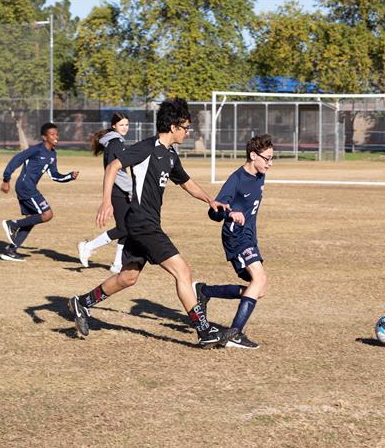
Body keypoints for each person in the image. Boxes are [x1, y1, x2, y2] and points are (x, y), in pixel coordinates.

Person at [68, 98, 238, 348]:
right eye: (186, 127)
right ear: (173, 126)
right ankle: (204, 331)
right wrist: (106, 202)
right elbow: (113, 166)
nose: (188, 132)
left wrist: (210, 200)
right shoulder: (147, 147)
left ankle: (81, 303)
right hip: (142, 223)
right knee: (183, 271)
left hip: (145, 223)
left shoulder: (170, 155)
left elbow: (185, 182)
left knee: (128, 277)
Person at [195, 134, 274, 349]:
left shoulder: (260, 174)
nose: (270, 163)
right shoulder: (236, 180)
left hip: (249, 236)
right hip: (235, 236)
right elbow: (213, 211)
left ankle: (205, 291)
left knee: (259, 289)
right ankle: (234, 334)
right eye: (267, 158)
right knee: (259, 278)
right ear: (252, 155)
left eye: (272, 158)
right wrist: (229, 214)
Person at [0, 122, 79, 261]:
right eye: (52, 134)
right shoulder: (36, 149)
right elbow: (17, 159)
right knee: (47, 214)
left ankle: (10, 251)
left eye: (57, 134)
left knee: (30, 220)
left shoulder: (53, 155)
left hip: (29, 187)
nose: (56, 137)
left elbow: (55, 176)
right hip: (26, 186)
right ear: (44, 137)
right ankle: (12, 224)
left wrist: (69, 176)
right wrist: (6, 179)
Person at [78, 112, 131, 272]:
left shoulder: (116, 142)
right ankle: (88, 246)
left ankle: (117, 264)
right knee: (124, 228)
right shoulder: (115, 143)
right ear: (114, 126)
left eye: (127, 125)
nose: (125, 128)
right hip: (117, 190)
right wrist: (131, 189)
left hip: (119, 189)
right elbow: (115, 171)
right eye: (121, 125)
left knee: (126, 227)